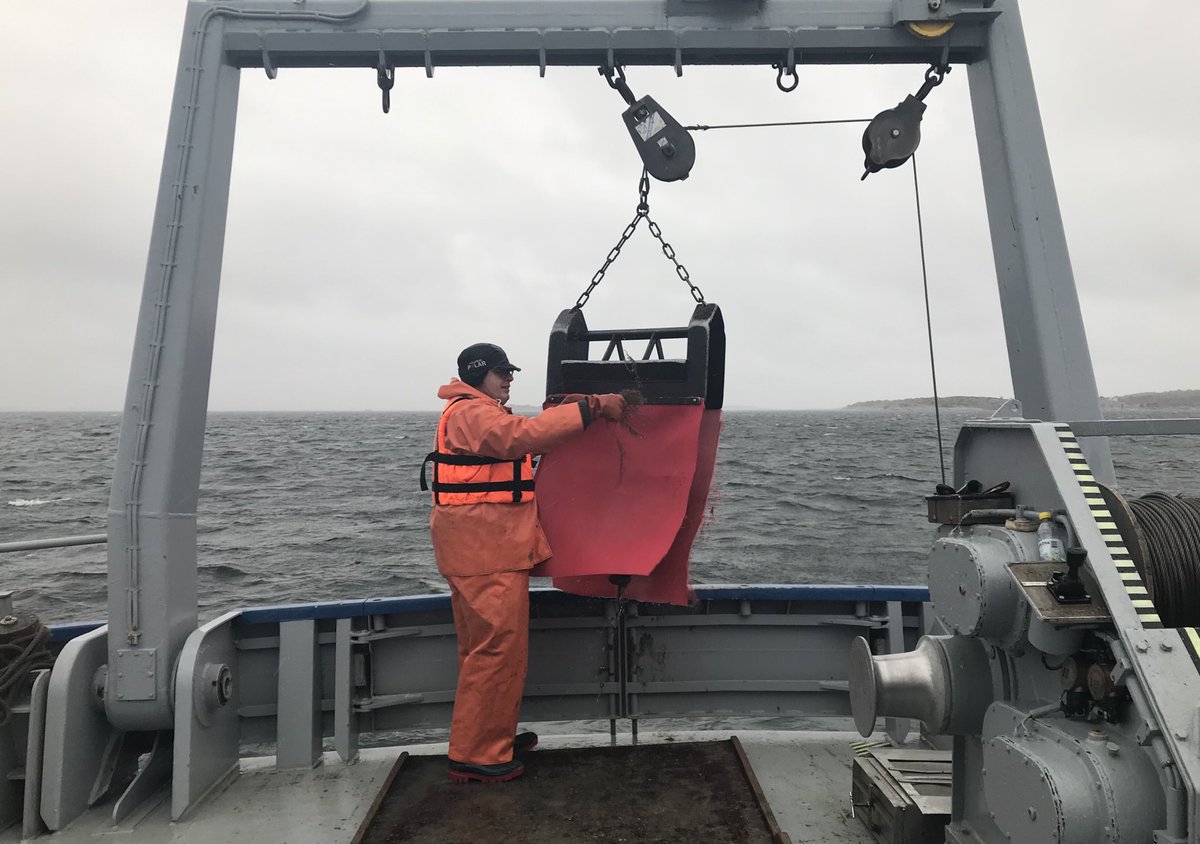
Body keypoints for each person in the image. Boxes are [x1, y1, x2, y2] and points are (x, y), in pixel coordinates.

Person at [423, 342, 626, 783]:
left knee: (485, 650)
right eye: (501, 372)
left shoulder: (473, 413)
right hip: (484, 552)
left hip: (478, 548)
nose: (509, 378)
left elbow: (516, 435)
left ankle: (490, 739)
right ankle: (477, 754)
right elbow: (523, 436)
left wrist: (571, 411)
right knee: (495, 650)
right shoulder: (472, 413)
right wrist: (591, 409)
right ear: (478, 374)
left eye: (509, 371)